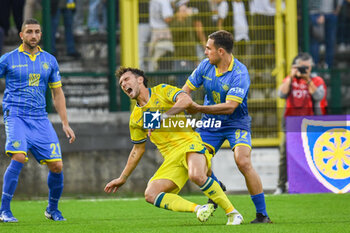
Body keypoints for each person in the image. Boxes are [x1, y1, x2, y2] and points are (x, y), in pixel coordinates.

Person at [104, 67, 243, 225]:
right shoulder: (136, 118)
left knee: (196, 175)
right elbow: (137, 149)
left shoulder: (162, 90)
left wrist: (163, 116)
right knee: (151, 194)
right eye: (121, 83)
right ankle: (199, 208)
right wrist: (123, 178)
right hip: (171, 158)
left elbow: (185, 100)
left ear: (140, 80)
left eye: (127, 79)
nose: (123, 84)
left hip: (190, 144)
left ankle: (233, 213)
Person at [182, 30, 271, 223]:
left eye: (208, 48)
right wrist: (183, 101)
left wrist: (198, 108)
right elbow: (186, 90)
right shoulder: (205, 66)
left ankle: (262, 215)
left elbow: (231, 107)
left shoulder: (240, 73)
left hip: (235, 123)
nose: (205, 52)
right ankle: (216, 186)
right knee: (198, 164)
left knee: (243, 161)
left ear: (220, 51)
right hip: (209, 124)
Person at [0, 18, 76, 222]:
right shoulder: (8, 59)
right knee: (18, 156)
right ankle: (4, 210)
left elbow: (57, 94)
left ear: (41, 35)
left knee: (57, 165)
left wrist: (65, 123)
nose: (34, 35)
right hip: (15, 114)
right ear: (21, 35)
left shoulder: (49, 60)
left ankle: (52, 209)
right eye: (29, 32)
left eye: (37, 32)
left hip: (40, 118)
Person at [275, 53, 327, 194]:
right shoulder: (290, 80)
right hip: (290, 122)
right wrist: (292, 77)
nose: (304, 70)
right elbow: (281, 94)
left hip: (311, 122)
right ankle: (281, 185)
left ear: (311, 67)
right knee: (284, 154)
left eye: (306, 67)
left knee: (313, 153)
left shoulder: (316, 80)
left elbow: (319, 96)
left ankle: (314, 184)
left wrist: (307, 79)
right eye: (301, 67)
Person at [309, 0, 343, 69]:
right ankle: (314, 68)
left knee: (331, 41)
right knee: (315, 41)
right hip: (316, 13)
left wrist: (338, 7)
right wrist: (319, 12)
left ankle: (328, 66)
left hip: (331, 12)